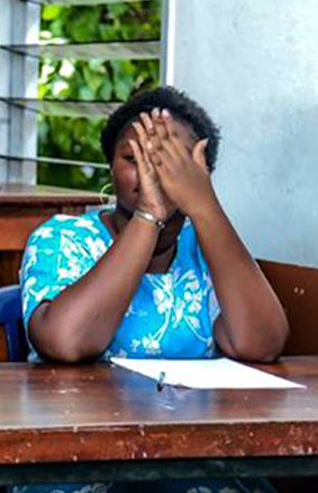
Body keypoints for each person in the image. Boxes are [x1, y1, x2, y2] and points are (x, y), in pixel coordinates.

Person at [18, 86, 288, 493]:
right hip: (80, 458)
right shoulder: (64, 238)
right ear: (110, 166)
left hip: (195, 458)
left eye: (166, 162)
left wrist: (204, 206)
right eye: (133, 159)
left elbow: (262, 344)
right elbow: (66, 342)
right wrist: (150, 216)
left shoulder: (209, 247)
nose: (149, 174)